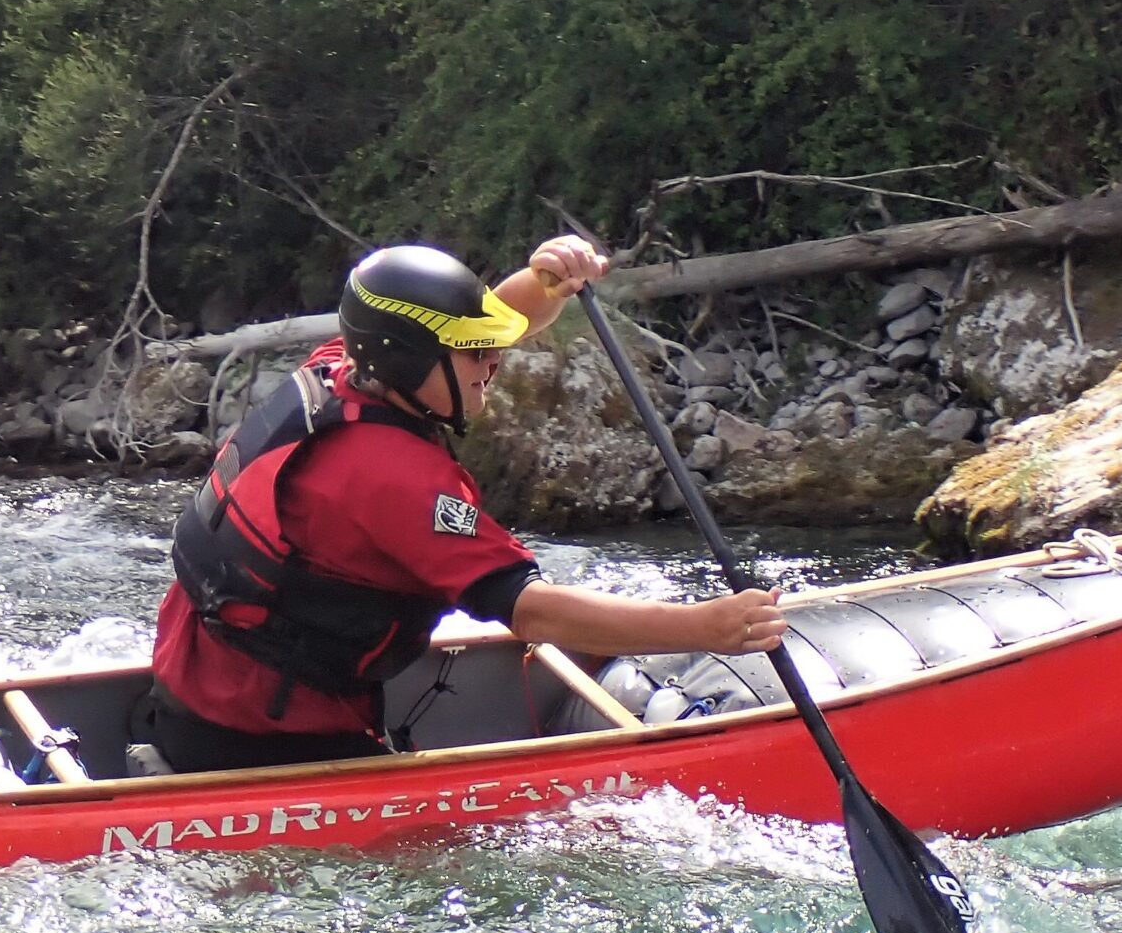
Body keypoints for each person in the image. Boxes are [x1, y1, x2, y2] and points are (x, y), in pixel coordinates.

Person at [130, 234, 789, 774]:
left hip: (190, 699)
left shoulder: (342, 369)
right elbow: (529, 611)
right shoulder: (395, 481)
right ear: (410, 360)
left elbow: (490, 328)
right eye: (473, 353)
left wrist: (543, 280)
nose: (492, 363)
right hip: (266, 746)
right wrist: (706, 628)